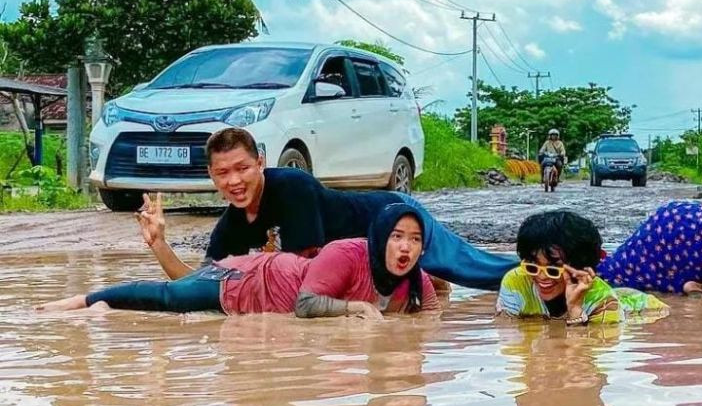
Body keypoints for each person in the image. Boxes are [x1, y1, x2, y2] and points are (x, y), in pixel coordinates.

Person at [136, 126, 516, 291]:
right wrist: (159, 244)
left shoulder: (292, 187)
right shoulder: (233, 224)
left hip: (392, 216)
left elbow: (306, 274)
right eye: (223, 173)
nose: (234, 181)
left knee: (475, 270)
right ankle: (426, 282)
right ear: (212, 177)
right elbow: (199, 282)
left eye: (242, 168)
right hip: (365, 255)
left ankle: (557, 267)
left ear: (261, 162)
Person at [42, 204, 439, 320]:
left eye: (415, 240)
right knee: (172, 298)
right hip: (242, 280)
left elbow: (431, 320)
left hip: (262, 302)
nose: (404, 248)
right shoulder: (345, 254)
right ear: (378, 238)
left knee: (181, 291)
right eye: (396, 237)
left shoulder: (415, 280)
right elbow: (305, 306)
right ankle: (84, 299)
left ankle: (106, 301)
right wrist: (357, 307)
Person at [497, 209, 666, 325]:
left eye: (554, 269)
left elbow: (583, 356)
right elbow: (507, 335)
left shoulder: (601, 300)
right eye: (533, 266)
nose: (541, 277)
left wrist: (575, 310)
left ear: (580, 269)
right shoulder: (516, 282)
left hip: (643, 310)